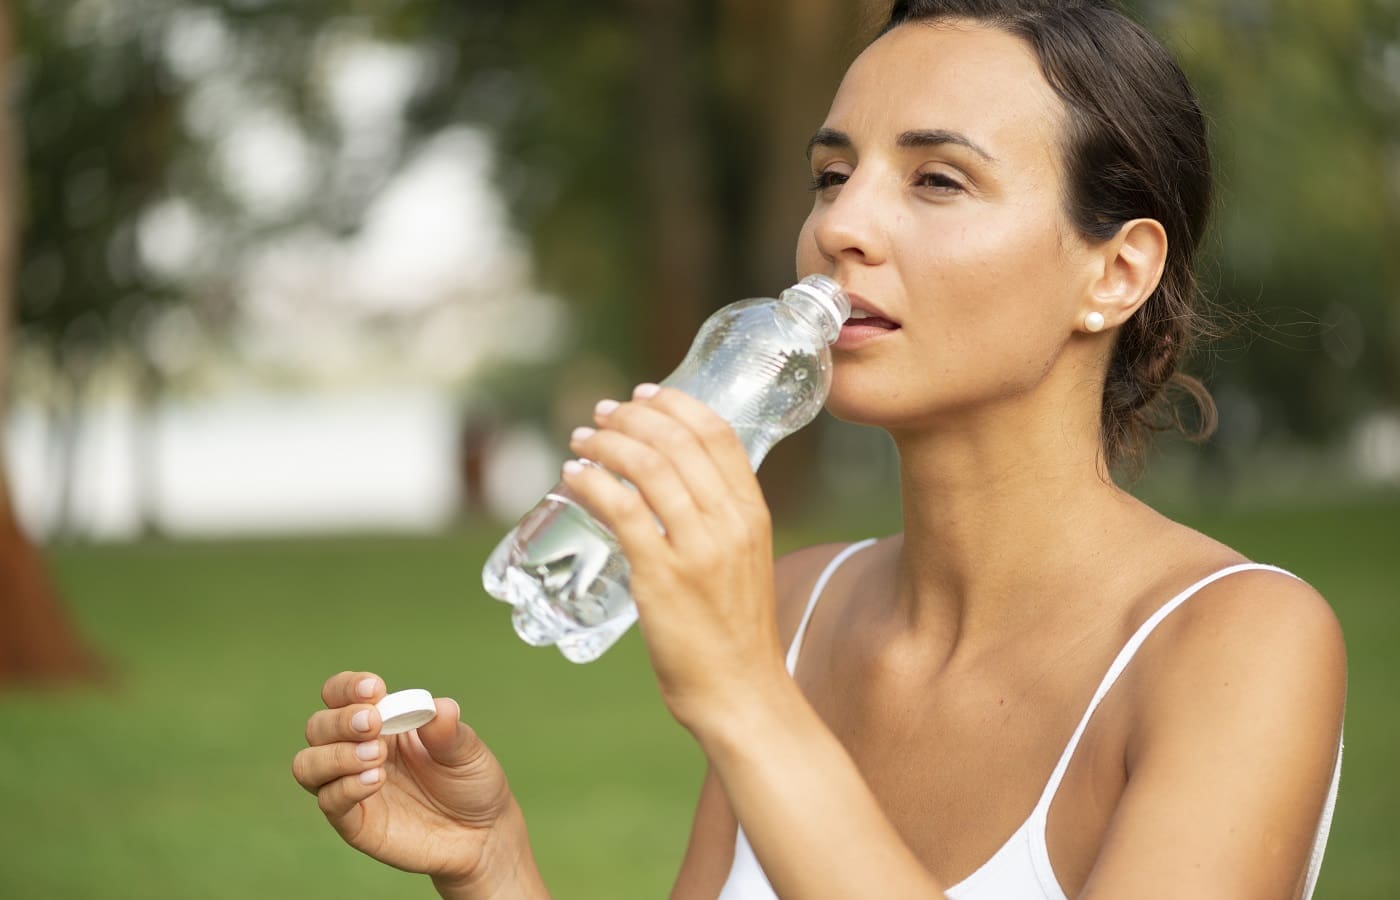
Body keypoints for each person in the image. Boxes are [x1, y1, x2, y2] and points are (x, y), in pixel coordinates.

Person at [291, 1, 1347, 897]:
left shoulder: (1236, 643)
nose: (841, 226)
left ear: (1113, 273)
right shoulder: (797, 610)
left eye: (936, 179)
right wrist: (494, 866)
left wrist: (743, 696)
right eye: (831, 175)